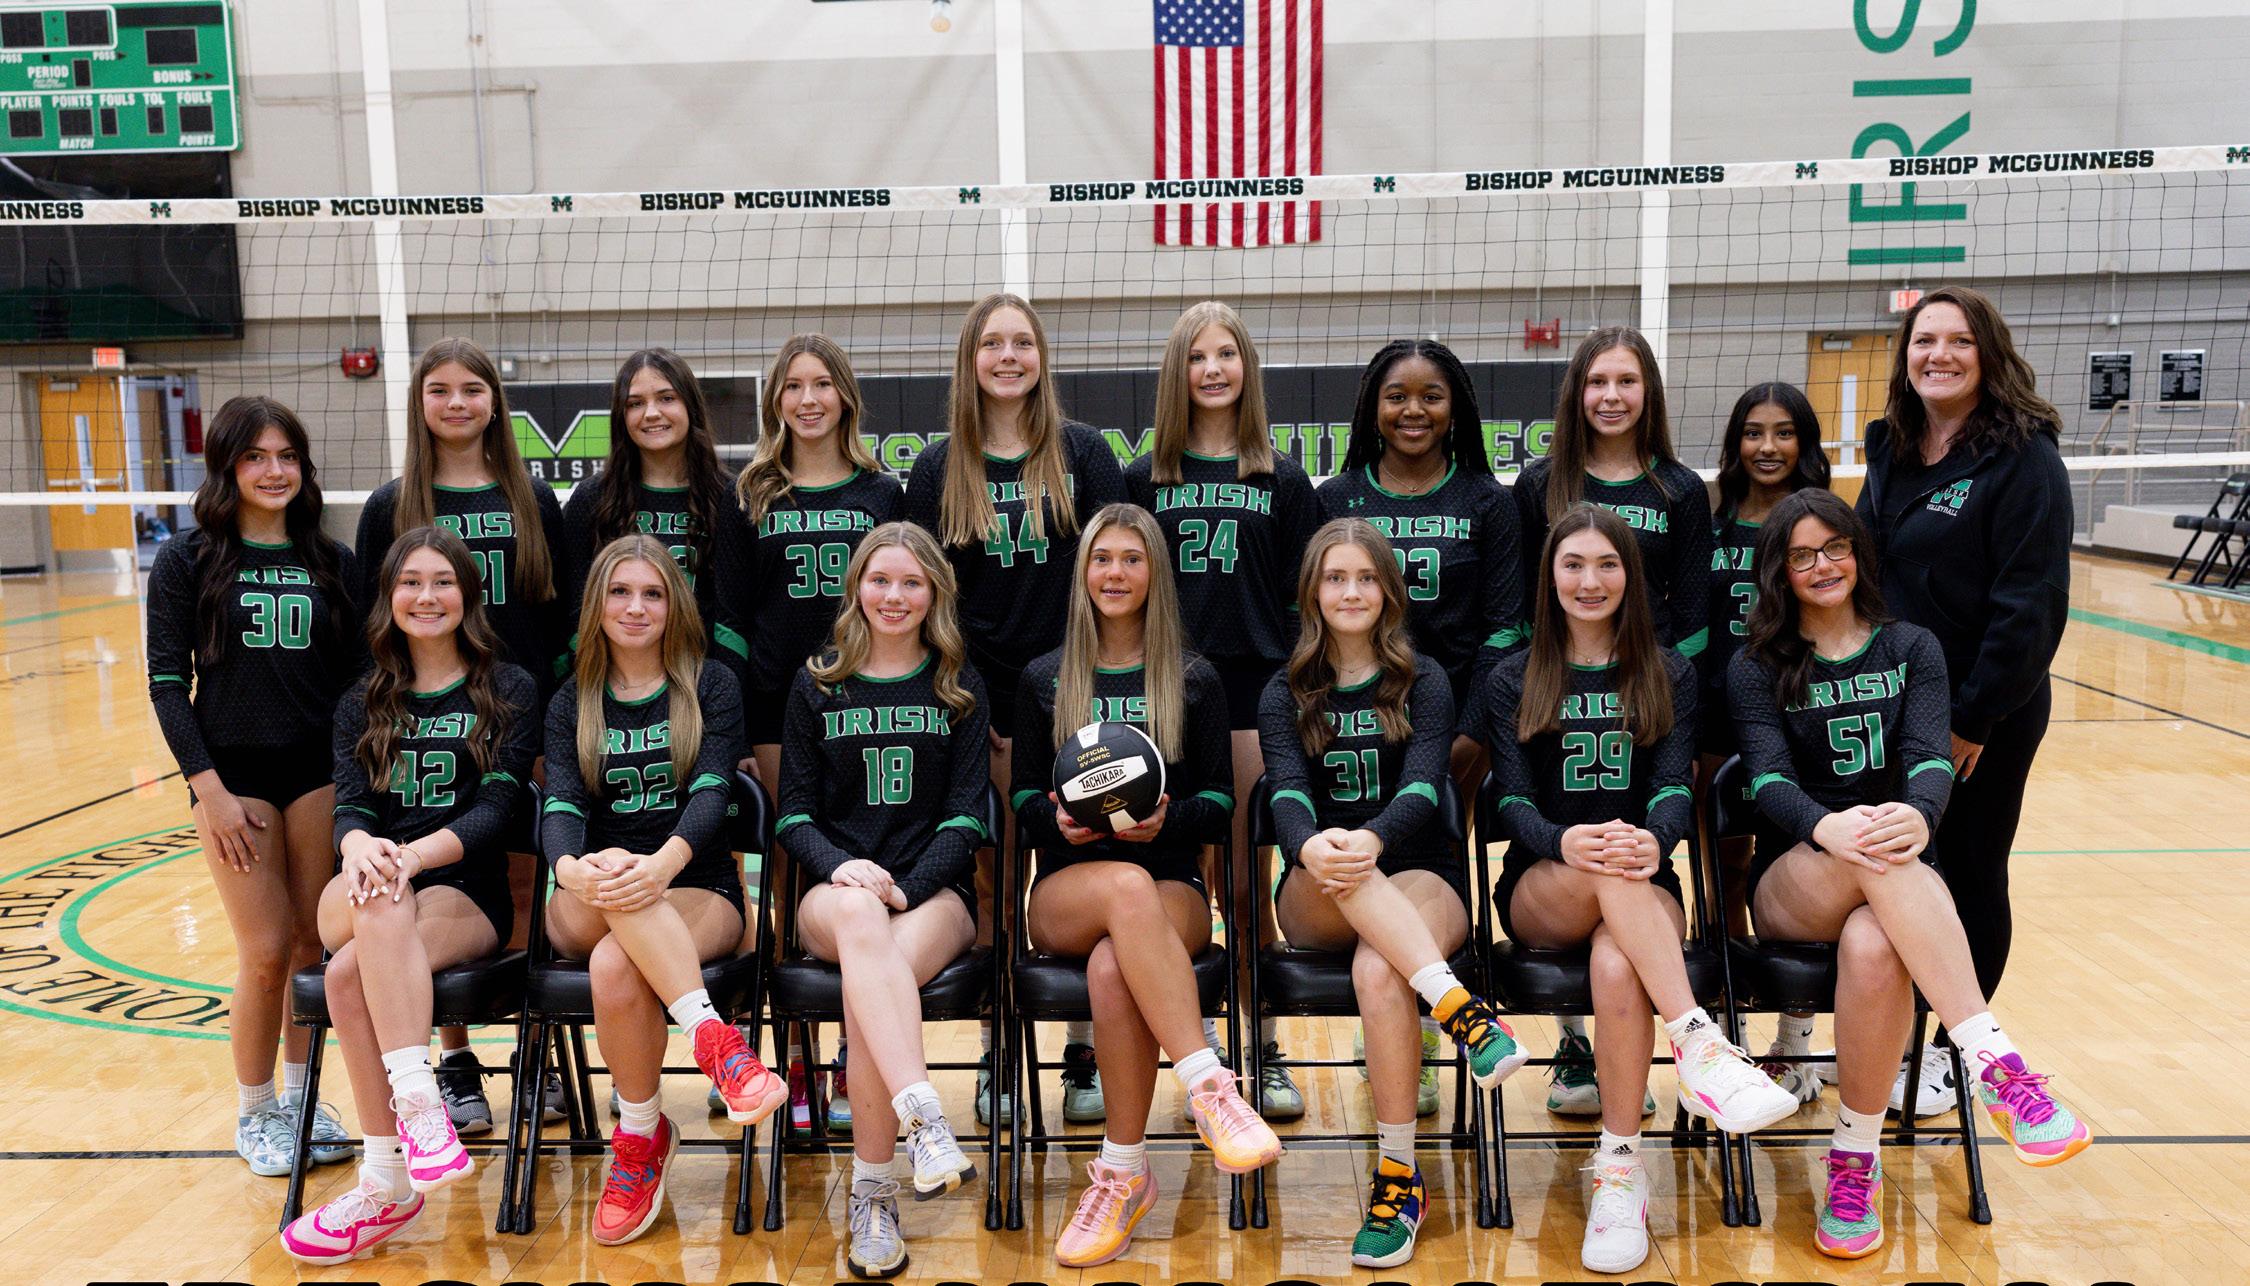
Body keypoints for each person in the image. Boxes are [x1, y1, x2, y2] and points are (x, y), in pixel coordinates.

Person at [1731, 488, 2091, 1258]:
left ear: (1858, 553)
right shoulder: (1757, 663)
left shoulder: (1912, 648)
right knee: (1873, 848)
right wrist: (1826, 825)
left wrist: (1923, 814)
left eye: (1835, 547)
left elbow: (1931, 756)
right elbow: (1764, 779)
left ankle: (1852, 1162)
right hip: (1796, 879)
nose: (1822, 566)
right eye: (1801, 555)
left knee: (1874, 948)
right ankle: (1995, 1064)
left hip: (1891, 880)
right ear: (1780, 572)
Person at [1484, 504, 1796, 1276]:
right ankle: (1700, 1043)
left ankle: (1620, 1173)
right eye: (1573, 565)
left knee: (1618, 960)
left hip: (1642, 878)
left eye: (1607, 564)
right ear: (1550, 577)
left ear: (1630, 574)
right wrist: (1563, 840)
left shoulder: (1667, 671)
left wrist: (1657, 837)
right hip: (1543, 884)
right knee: (1607, 869)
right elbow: (1509, 800)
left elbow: (1673, 787)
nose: (1590, 581)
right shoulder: (1513, 674)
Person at [1261, 518, 1525, 1269]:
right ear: (1312, 591)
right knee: (1348, 878)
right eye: (1335, 578)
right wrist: (1310, 844)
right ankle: (1460, 1011)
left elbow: (1423, 787)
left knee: (1380, 967)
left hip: (1418, 874)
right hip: (1315, 886)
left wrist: (1371, 838)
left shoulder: (1425, 679)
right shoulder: (1285, 690)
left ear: (1389, 591)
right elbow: (1286, 790)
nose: (1351, 592)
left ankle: (1399, 1177)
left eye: (1366, 578)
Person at [280, 528, 538, 1263]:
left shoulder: (508, 688)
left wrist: (413, 857)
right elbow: (352, 806)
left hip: (464, 892)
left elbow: (497, 809)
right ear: (389, 597)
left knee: (344, 976)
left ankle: (385, 1178)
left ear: (468, 595)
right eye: (410, 582)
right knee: (378, 895)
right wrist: (359, 844)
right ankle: (419, 1102)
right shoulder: (363, 700)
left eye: (443, 582)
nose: (427, 597)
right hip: (368, 884)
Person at [903, 291, 1126, 1121]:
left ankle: (1081, 1052)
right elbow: (923, 596)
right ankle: (1000, 1050)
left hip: (1074, 693)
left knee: (1077, 864)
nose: (1007, 357)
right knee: (994, 878)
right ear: (970, 360)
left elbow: (1117, 575)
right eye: (991, 343)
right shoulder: (938, 466)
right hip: (980, 694)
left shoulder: (1083, 452)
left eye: (1021, 342)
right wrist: (974, 701)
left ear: (1041, 357)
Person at [1011, 503, 1250, 1267]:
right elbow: (1021, 798)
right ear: (1083, 571)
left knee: (1118, 960)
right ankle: (1209, 1085)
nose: (1115, 573)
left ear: (1156, 573)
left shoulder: (1194, 678)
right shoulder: (1045, 678)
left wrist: (1171, 818)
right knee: (1121, 889)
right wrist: (1059, 821)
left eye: (1132, 559)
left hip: (1169, 882)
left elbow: (1221, 802)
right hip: (1068, 890)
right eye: (1102, 558)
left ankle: (1122, 1175)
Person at [1855, 285, 2074, 1118]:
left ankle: (1953, 1055)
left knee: (1971, 869)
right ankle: (1891, 1040)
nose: (1938, 355)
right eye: (1923, 341)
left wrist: (1971, 718)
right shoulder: (1893, 444)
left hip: (1982, 711)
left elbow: (2032, 605)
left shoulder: (2023, 458)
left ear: (1988, 354)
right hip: (1893, 700)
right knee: (1905, 873)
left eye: (1957, 341)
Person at [539, 534, 781, 1247]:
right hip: (590, 891)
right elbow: (561, 805)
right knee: (613, 881)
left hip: (695, 889)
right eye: (620, 592)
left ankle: (641, 1138)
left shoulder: (711, 686)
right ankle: (715, 1039)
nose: (636, 607)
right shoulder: (572, 700)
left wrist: (661, 864)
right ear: (597, 605)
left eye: (652, 593)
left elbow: (712, 793)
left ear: (675, 605)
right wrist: (568, 869)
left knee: (616, 962)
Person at [354, 336, 568, 1129]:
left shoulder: (532, 500)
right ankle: (455, 1062)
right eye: (438, 389)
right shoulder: (390, 506)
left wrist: (550, 733)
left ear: (494, 403)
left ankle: (535, 1055)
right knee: (430, 881)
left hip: (517, 720)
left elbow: (558, 623)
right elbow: (375, 631)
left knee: (523, 890)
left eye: (471, 389)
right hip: (426, 728)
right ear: (419, 404)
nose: (456, 403)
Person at [144, 395, 362, 1175]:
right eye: (256, 457)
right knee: (265, 950)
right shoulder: (188, 560)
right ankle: (255, 1110)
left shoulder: (332, 561)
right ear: (227, 467)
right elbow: (166, 684)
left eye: (287, 457)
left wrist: (350, 770)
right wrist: (209, 790)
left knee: (309, 945)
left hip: (315, 771)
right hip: (232, 775)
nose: (274, 471)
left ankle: (303, 1102)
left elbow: (357, 680)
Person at [1314, 339, 1526, 1113]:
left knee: (1432, 859)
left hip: (1457, 719)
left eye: (1431, 396)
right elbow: (1311, 616)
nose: (1413, 410)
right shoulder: (1338, 498)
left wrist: (1468, 732)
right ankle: (1413, 1023)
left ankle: (1424, 1033)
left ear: (1455, 407)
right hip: (1350, 718)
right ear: (1372, 406)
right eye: (1396, 395)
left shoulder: (1487, 501)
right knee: (1355, 850)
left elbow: (1505, 629)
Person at [776, 523, 990, 1279]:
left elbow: (967, 817)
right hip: (835, 895)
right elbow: (793, 815)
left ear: (934, 593)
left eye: (911, 583)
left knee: (870, 983)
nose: (894, 596)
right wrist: (846, 870)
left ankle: (871, 1195)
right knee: (861, 922)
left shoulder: (957, 684)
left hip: (932, 895)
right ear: (856, 587)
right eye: (880, 580)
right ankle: (924, 1120)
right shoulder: (818, 682)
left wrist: (908, 886)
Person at [1512, 325, 1714, 1119]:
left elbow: (1691, 613)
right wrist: (1565, 678)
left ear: (1648, 392)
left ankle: (1627, 1130)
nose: (1611, 396)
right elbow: (1527, 600)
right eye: (1597, 381)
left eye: (1627, 381)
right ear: (1576, 392)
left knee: (1620, 904)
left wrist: (1651, 688)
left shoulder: (1679, 489)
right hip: (1557, 698)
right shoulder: (1540, 483)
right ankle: (1652, 1043)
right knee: (1595, 854)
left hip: (1645, 699)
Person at [1124, 301, 1318, 1121]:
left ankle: (1260, 1046)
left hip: (1250, 691)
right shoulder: (1143, 478)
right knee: (1168, 871)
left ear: (1247, 370)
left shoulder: (1282, 477)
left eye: (1227, 355)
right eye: (1198, 357)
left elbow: (1304, 600)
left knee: (1240, 883)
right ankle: (1193, 1040)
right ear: (1178, 371)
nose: (1212, 370)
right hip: (1163, 692)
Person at [738, 333, 905, 1133]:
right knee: (791, 873)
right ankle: (794, 1055)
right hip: (780, 705)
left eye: (822, 384)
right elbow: (732, 612)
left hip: (866, 702)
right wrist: (738, 723)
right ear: (777, 400)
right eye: (793, 386)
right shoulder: (752, 493)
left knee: (858, 861)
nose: (808, 399)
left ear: (845, 396)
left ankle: (852, 1050)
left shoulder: (883, 491)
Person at [1702, 382, 1832, 1100]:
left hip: (1798, 717)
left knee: (1792, 862)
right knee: (1722, 870)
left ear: (1805, 442)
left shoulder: (1821, 526)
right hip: (1719, 718)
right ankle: (1729, 1031)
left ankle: (1795, 1042)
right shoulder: (1711, 521)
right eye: (1754, 432)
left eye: (1784, 432)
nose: (1769, 446)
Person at [559, 347, 752, 699]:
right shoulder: (592, 500)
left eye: (666, 398)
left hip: (702, 690)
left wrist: (726, 698)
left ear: (690, 406)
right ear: (621, 416)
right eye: (635, 403)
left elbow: (733, 619)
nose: (651, 413)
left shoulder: (729, 497)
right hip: (614, 692)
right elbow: (576, 613)